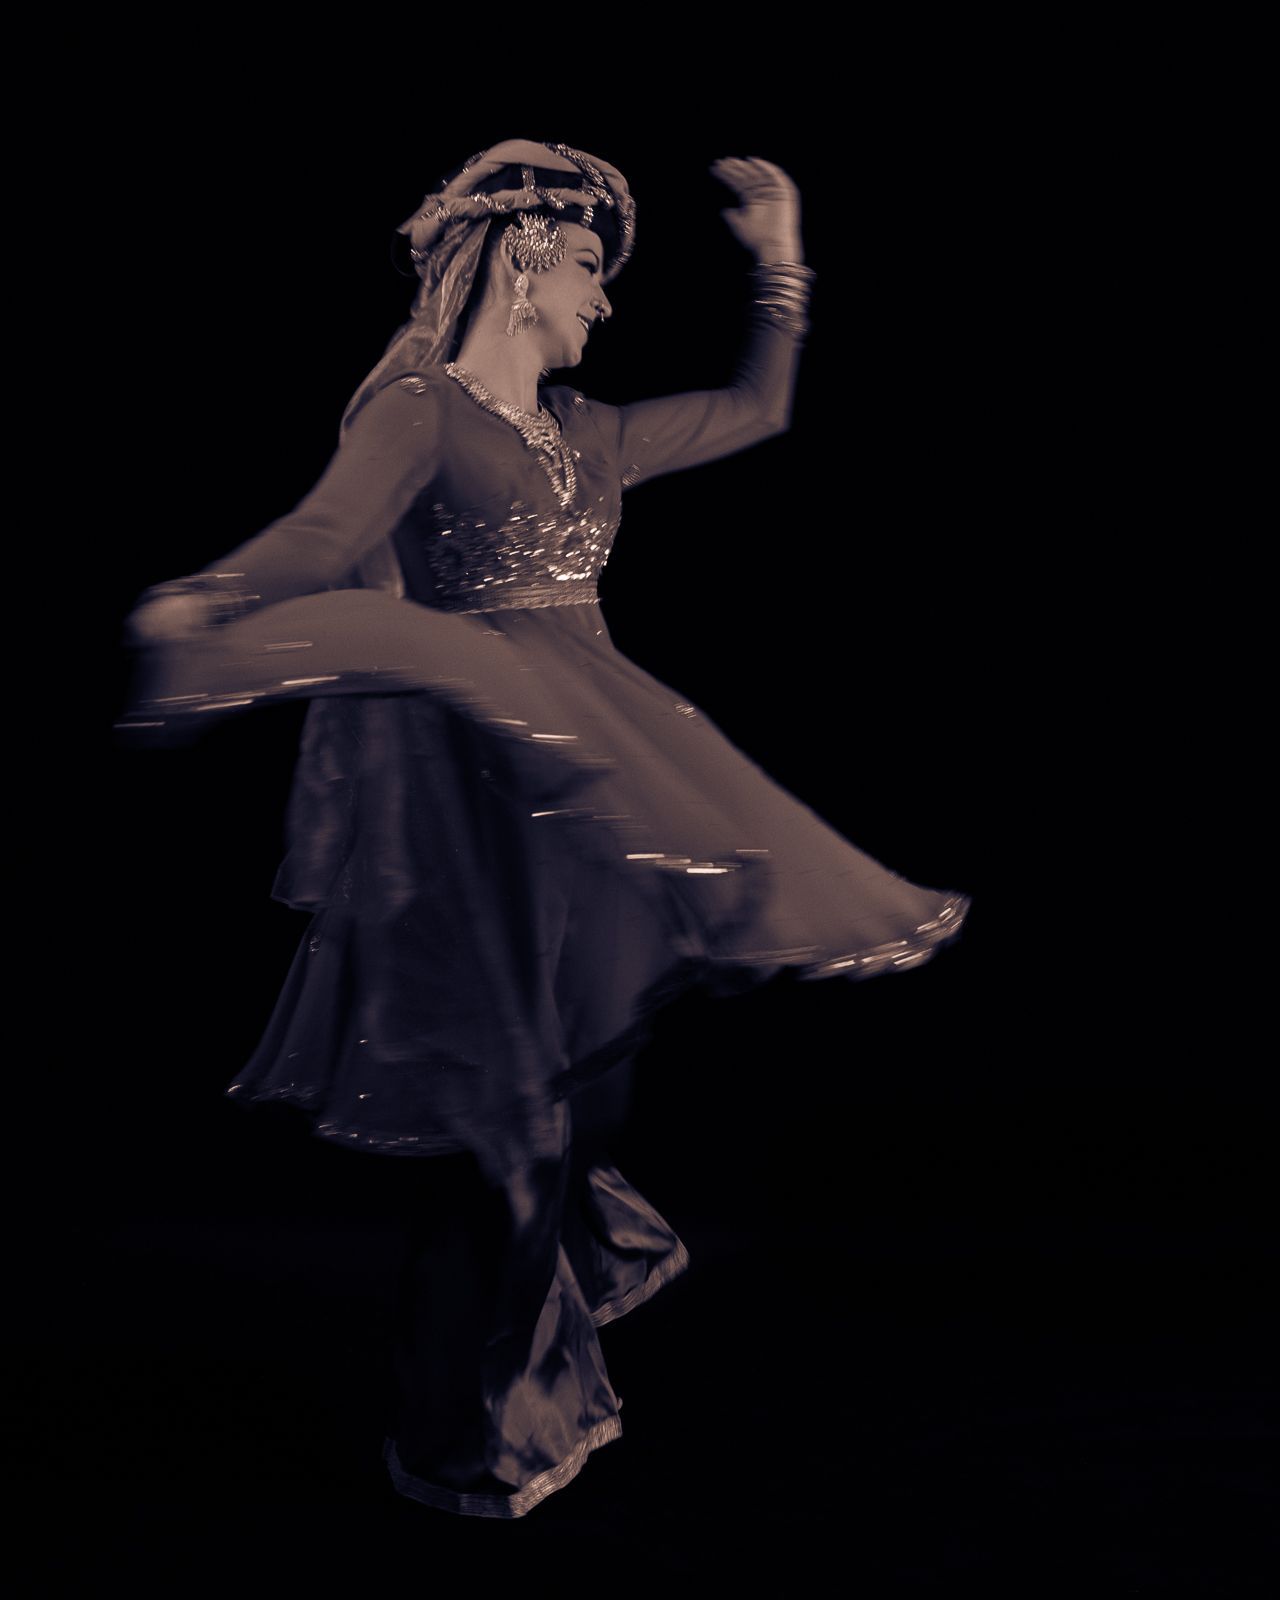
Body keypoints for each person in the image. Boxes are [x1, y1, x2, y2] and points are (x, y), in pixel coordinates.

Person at [116, 139, 972, 1517]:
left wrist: (782, 262)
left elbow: (758, 409)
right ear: (520, 262)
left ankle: (521, 1341)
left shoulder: (591, 431)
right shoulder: (419, 412)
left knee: (583, 1095)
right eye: (586, 268)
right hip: (476, 786)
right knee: (507, 1131)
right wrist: (210, 597)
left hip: (598, 772)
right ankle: (463, 1429)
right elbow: (323, 539)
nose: (603, 300)